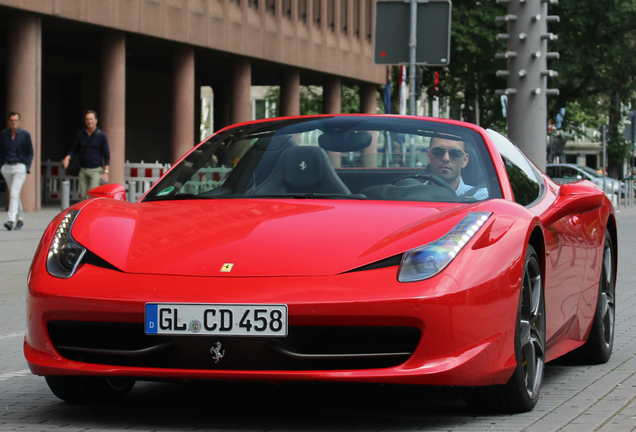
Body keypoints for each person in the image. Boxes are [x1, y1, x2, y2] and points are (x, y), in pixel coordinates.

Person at [62, 111, 110, 199]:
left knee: (93, 195)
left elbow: (107, 155)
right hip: (83, 169)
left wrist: (106, 172)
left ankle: (93, 212)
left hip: (96, 170)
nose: (89, 121)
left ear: (96, 120)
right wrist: (67, 157)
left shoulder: (101, 136)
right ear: (85, 121)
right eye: (87, 119)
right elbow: (74, 149)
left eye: (91, 119)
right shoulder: (81, 134)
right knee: (83, 196)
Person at [0, 112, 34, 231]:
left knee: (14, 193)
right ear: (9, 121)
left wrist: (27, 166)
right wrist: (1, 166)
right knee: (15, 194)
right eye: (11, 120)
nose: (13, 122)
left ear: (19, 121)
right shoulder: (4, 134)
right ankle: (20, 219)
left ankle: (11, 220)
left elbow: (30, 152)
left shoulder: (25, 135)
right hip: (7, 167)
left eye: (15, 120)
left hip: (20, 167)